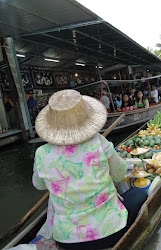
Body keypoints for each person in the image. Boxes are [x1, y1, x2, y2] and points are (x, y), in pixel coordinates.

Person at [32, 89, 147, 249]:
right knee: (140, 193)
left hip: (66, 240)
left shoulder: (41, 153)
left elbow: (39, 185)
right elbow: (120, 173)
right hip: (109, 233)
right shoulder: (99, 142)